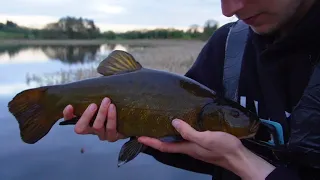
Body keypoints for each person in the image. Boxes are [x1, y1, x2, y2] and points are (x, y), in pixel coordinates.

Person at [62, 0, 320, 179]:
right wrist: (134, 128)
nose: (230, 10)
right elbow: (194, 149)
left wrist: (243, 161)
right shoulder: (228, 46)